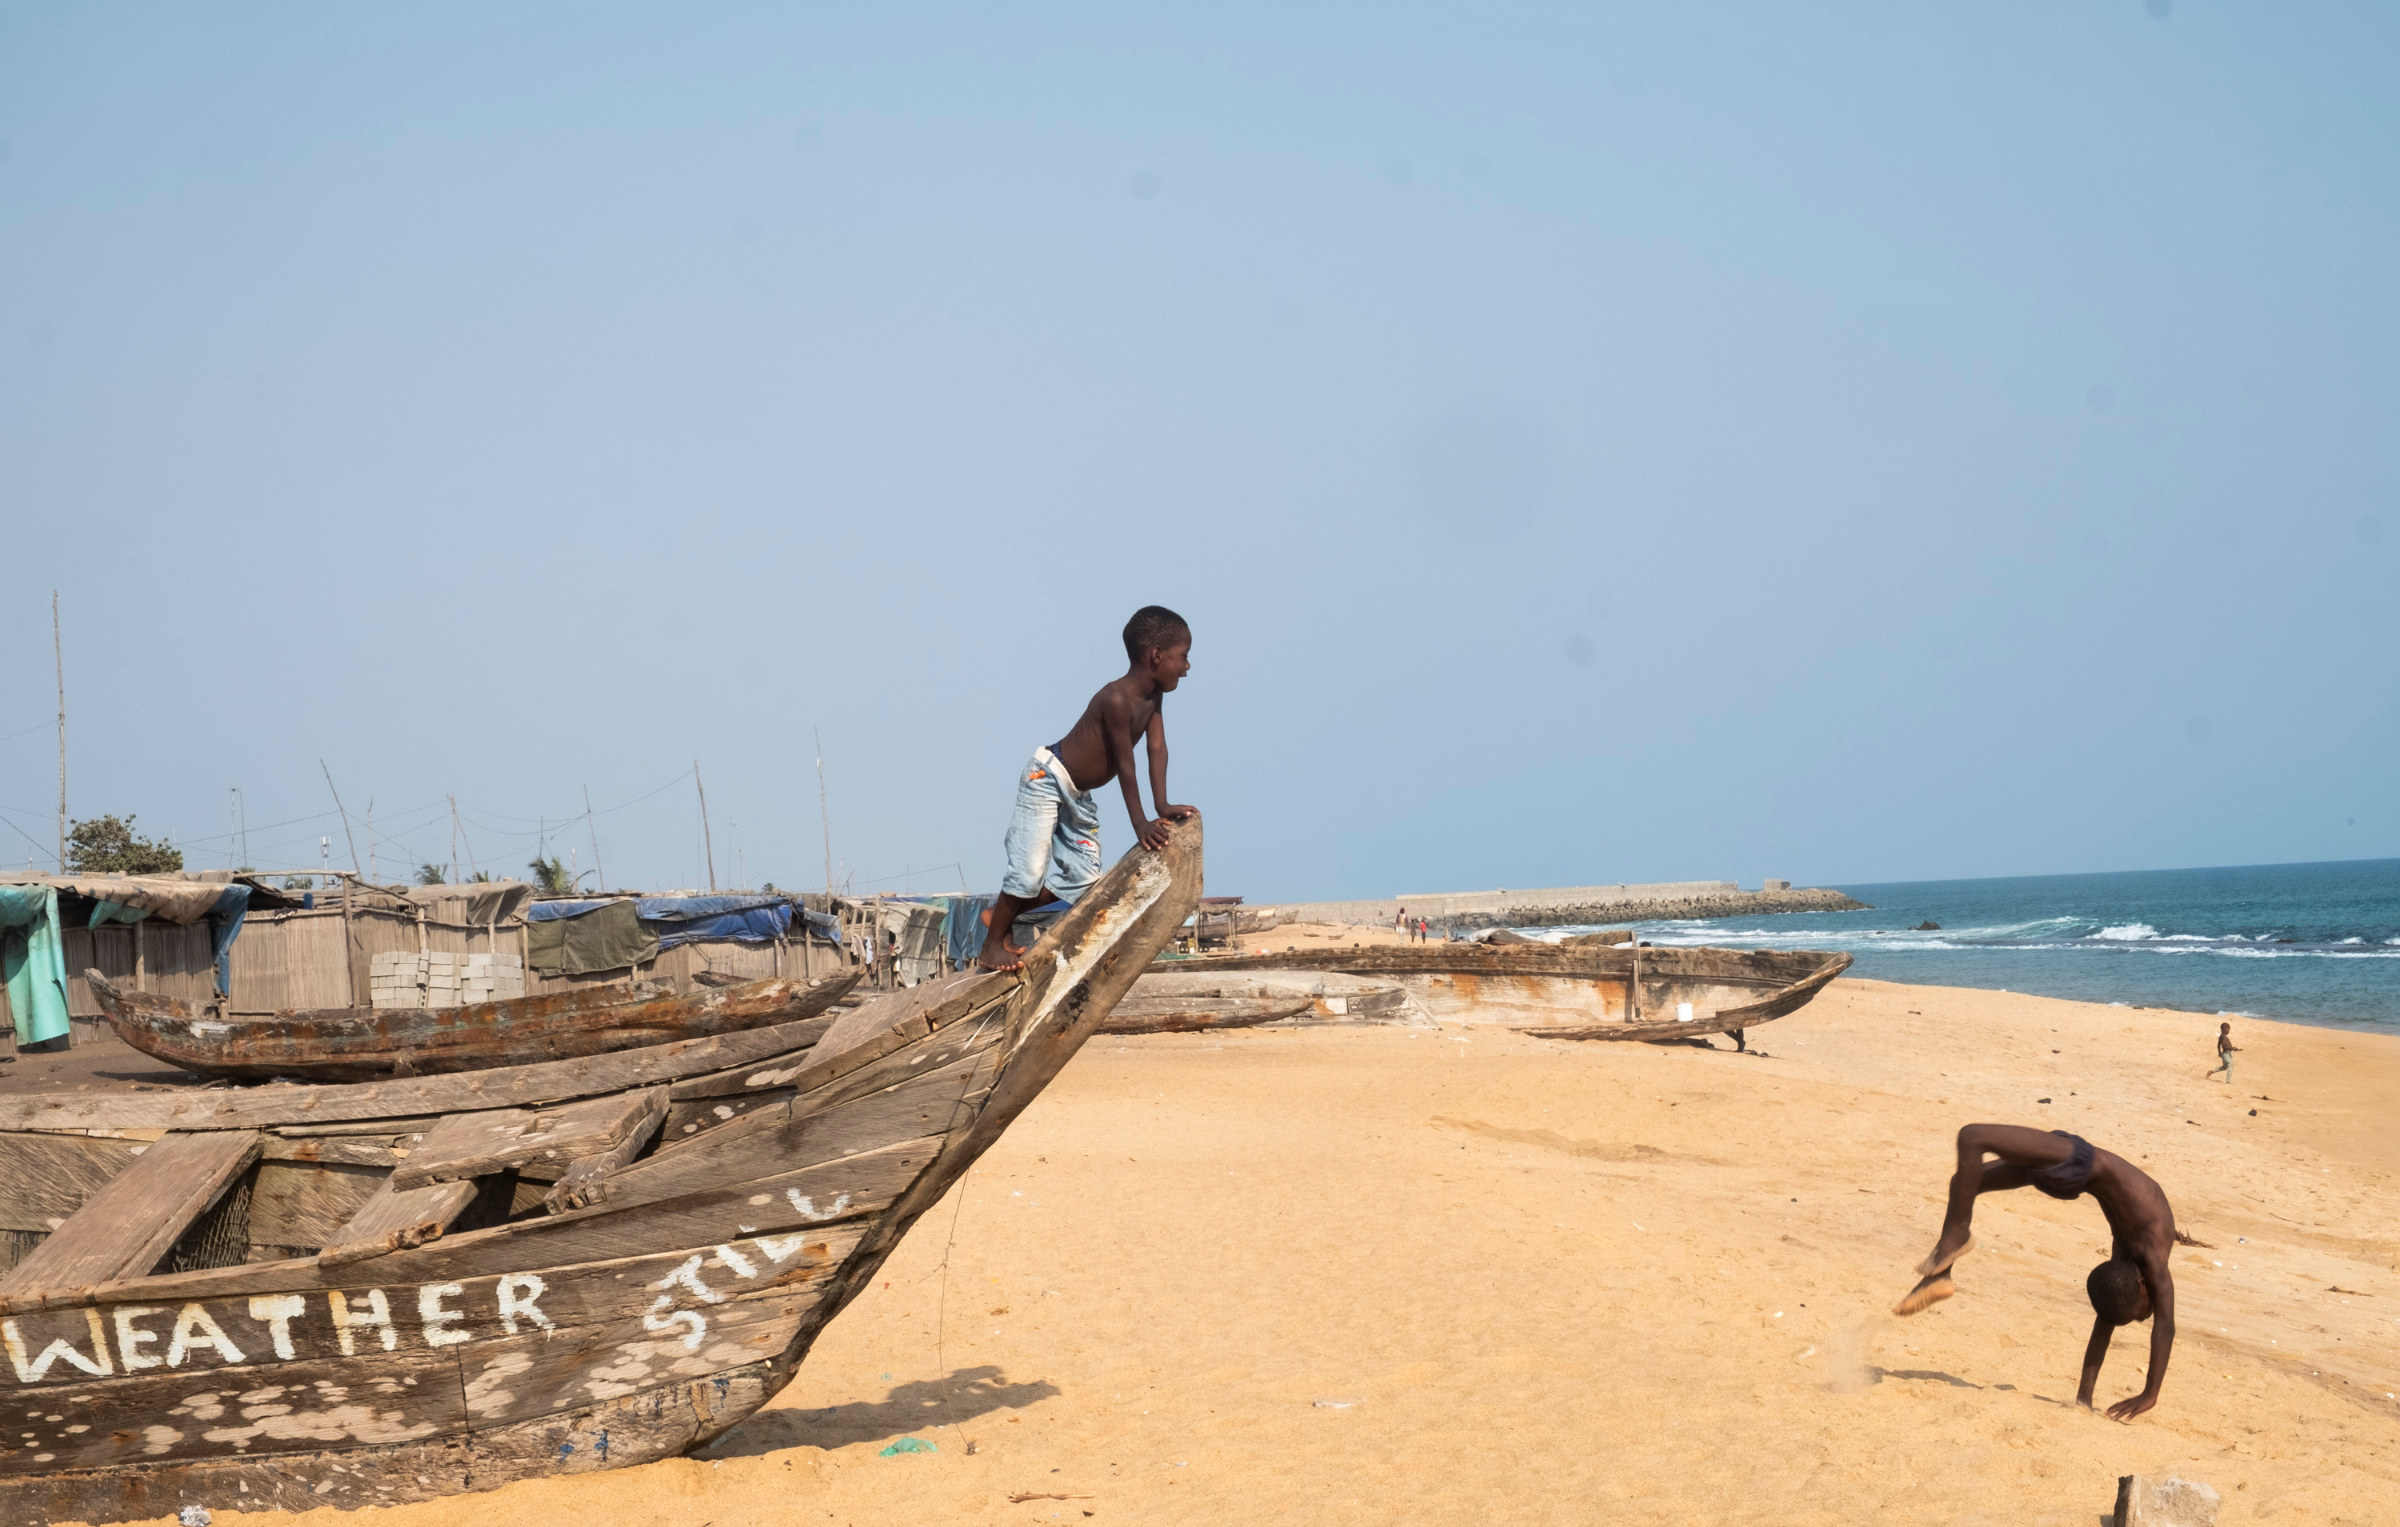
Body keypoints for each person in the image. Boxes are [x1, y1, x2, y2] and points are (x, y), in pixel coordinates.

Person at [1895, 1123, 2178, 1421]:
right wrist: (2150, 1394)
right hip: (2078, 1164)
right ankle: (1948, 1257)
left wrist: (2085, 1396)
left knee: (1969, 1156)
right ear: (2143, 1285)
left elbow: (2104, 1324)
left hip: (2073, 1170)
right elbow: (2166, 1327)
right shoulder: (2153, 1252)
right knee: (1968, 1159)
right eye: (2142, 1312)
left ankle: (1948, 1256)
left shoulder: (2128, 1260)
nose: (2146, 1316)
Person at [974, 606, 1200, 972]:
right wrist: (1140, 823)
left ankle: (997, 915)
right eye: (1184, 657)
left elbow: (1155, 748)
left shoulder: (1154, 697)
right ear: (1156, 656)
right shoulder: (1115, 699)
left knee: (1083, 881)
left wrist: (1163, 803)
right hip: (1045, 779)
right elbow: (1126, 764)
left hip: (1077, 795)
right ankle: (990, 946)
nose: (1187, 667)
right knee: (1030, 869)